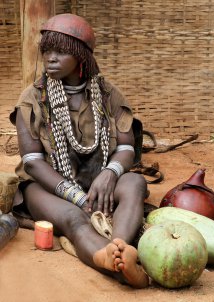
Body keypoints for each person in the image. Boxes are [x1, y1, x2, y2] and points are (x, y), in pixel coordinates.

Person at [9, 13, 149, 288]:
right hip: (47, 186)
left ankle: (119, 246)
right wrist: (76, 196)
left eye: (61, 51)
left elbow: (125, 147)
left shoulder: (108, 94)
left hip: (100, 183)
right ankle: (110, 262)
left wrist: (110, 173)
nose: (50, 57)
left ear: (81, 55)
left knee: (134, 181)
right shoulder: (33, 97)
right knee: (73, 218)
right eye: (47, 50)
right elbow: (33, 162)